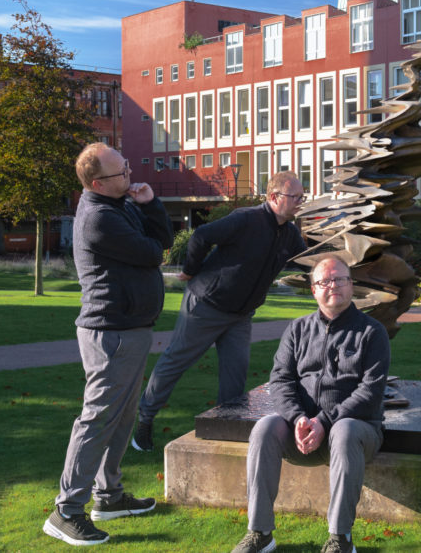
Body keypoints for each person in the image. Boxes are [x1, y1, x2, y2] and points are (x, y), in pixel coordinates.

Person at [43, 143, 174, 546]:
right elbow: (153, 253)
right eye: (122, 172)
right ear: (97, 182)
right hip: (111, 332)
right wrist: (148, 230)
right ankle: (66, 510)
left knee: (121, 415)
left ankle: (110, 495)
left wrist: (150, 205)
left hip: (130, 327)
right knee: (98, 418)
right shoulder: (100, 218)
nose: (130, 175)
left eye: (128, 167)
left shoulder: (122, 206)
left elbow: (163, 238)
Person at [132, 171, 307, 452]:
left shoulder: (290, 234)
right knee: (174, 363)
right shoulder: (246, 218)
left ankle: (227, 429)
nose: (300, 201)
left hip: (240, 316)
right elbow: (200, 236)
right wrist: (190, 270)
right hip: (205, 306)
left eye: (302, 196)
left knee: (235, 375)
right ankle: (143, 421)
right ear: (274, 197)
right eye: (295, 197)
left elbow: (306, 263)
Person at [231, 255, 390, 553]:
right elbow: (280, 380)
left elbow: (370, 391)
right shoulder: (297, 330)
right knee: (265, 427)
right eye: (325, 281)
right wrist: (298, 418)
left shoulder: (372, 332)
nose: (334, 286)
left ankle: (340, 538)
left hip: (355, 433)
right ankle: (260, 533)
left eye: (340, 279)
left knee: (344, 431)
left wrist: (324, 421)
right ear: (314, 290)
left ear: (351, 285)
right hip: (301, 431)